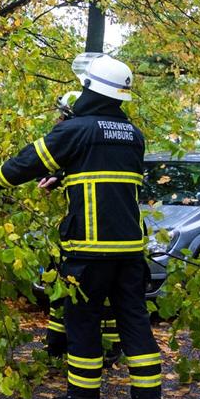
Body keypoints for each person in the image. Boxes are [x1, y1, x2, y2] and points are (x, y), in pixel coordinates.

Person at [0, 55, 161, 399]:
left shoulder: (77, 129)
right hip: (129, 249)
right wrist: (64, 176)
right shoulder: (133, 136)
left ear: (91, 88)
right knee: (135, 322)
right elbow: (106, 173)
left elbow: (28, 162)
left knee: (83, 322)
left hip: (89, 250)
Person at [43, 90, 122, 367]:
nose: (57, 119)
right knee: (93, 296)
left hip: (90, 237)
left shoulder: (78, 132)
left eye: (61, 115)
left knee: (80, 300)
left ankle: (78, 350)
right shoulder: (109, 135)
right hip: (115, 231)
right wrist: (59, 176)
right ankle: (67, 345)